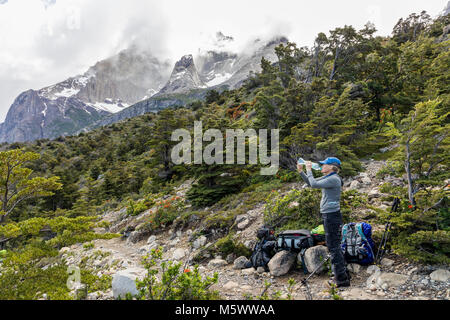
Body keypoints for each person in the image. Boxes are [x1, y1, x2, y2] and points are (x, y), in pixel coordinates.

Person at [297, 157, 350, 287]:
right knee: (334, 246)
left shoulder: (333, 178)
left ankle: (341, 280)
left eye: (323, 164)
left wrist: (309, 169)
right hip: (330, 215)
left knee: (333, 246)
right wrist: (301, 172)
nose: (321, 166)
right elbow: (311, 183)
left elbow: (314, 184)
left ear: (332, 167)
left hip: (332, 216)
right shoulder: (329, 177)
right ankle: (342, 274)